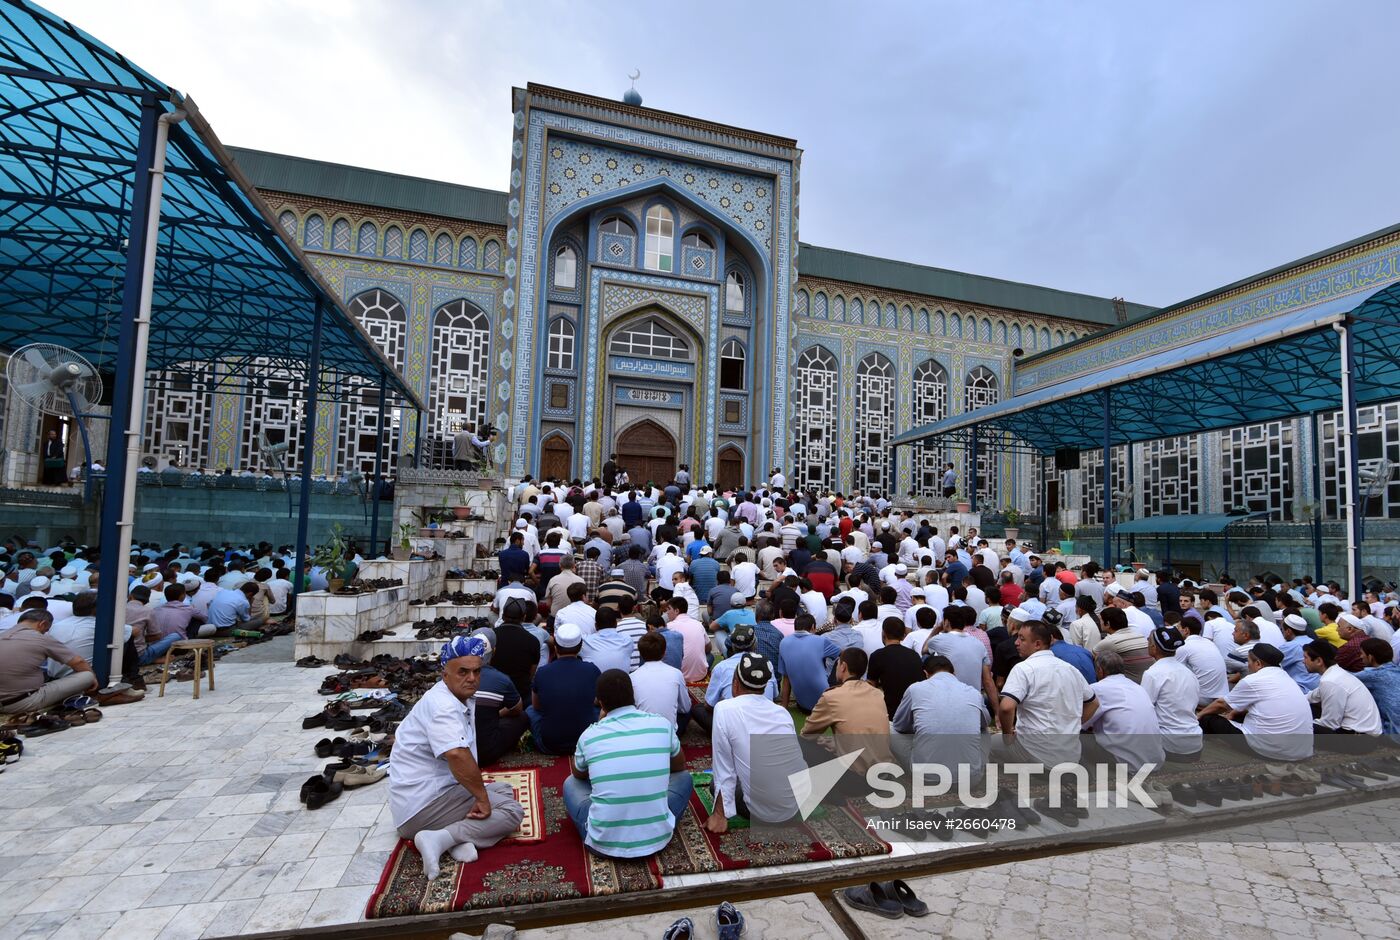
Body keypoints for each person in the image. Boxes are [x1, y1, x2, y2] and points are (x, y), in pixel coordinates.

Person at [389, 636, 525, 880]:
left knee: (503, 789)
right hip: (422, 807)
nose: (471, 678)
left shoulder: (452, 696)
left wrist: (480, 794)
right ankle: (437, 838)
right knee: (512, 811)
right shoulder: (444, 707)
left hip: (431, 796)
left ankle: (454, 836)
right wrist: (481, 798)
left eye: (476, 671)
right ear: (445, 674)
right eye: (463, 671)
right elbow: (456, 754)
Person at [566, 668, 693, 858]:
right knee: (684, 778)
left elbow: (579, 774)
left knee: (570, 783)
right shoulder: (661, 725)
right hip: (658, 839)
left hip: (603, 843)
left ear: (600, 703)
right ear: (633, 695)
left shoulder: (590, 735)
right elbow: (679, 767)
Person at [707, 652, 805, 831]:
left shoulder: (724, 709)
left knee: (716, 784)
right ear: (765, 685)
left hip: (763, 813)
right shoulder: (782, 712)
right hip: (796, 804)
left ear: (735, 682)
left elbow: (724, 768)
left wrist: (720, 814)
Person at [998, 619, 1098, 766]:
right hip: (1070, 753)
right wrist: (1072, 725)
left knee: (990, 744)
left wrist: (1007, 736)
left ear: (1037, 644)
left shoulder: (1024, 669)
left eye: (1022, 639)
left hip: (1033, 752)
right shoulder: (1070, 669)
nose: (1016, 643)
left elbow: (1006, 707)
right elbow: (1094, 703)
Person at [1197, 644, 1314, 761]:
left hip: (1272, 750)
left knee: (1208, 718)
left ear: (1258, 664)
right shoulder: (1287, 678)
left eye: (1248, 662)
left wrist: (1198, 716)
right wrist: (1235, 713)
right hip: (1303, 750)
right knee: (1238, 715)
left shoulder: (1253, 680)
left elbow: (1221, 704)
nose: (1248, 666)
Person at [800, 647, 895, 777]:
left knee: (801, 745)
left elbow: (807, 734)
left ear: (843, 666)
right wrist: (836, 743)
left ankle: (831, 795)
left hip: (858, 777)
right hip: (884, 770)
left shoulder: (832, 697)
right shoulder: (877, 694)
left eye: (837, 664)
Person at [892, 653, 989, 779]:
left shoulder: (915, 689)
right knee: (984, 731)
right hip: (970, 779)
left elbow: (899, 726)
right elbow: (985, 722)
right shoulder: (973, 693)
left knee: (888, 728)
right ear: (954, 673)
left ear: (926, 674)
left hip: (927, 778)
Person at [0, 609, 99, 714]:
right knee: (87, 676)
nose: (45, 632)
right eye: (45, 630)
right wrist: (93, 679)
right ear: (42, 624)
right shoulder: (40, 638)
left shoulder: (2, 635)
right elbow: (78, 662)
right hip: (23, 701)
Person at [1082, 649, 1166, 772]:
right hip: (1155, 760)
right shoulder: (1137, 687)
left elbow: (1082, 723)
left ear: (1100, 670)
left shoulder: (1097, 688)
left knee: (1075, 738)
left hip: (1126, 764)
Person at [526, 623, 600, 755]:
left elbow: (536, 706)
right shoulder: (592, 670)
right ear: (580, 646)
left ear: (555, 647)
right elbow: (597, 701)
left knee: (530, 710)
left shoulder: (542, 672)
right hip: (587, 741)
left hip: (549, 744)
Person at [1303, 640, 1382, 750]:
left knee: (1298, 726)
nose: (1303, 661)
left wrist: (1304, 721)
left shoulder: (1330, 681)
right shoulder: (1335, 673)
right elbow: (1311, 697)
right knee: (1307, 708)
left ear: (1319, 661)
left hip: (1360, 740)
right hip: (1363, 735)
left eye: (1305, 657)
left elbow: (1329, 724)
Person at [1140, 625, 1203, 762]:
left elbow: (1144, 710)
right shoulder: (1188, 672)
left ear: (1154, 648)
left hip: (1170, 744)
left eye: (1148, 641)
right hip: (1195, 743)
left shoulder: (1153, 673)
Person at [630, 632, 696, 731]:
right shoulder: (676, 673)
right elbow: (685, 708)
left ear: (641, 654)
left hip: (641, 733)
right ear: (664, 652)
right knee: (690, 709)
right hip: (668, 733)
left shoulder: (632, 677)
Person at [776, 612, 840, 712]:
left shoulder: (783, 642)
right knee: (841, 662)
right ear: (813, 627)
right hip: (826, 704)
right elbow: (841, 654)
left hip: (803, 705)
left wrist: (784, 706)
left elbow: (786, 678)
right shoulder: (820, 640)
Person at [866, 616, 925, 719]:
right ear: (903, 636)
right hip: (915, 710)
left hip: (892, 712)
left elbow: (871, 685)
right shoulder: (914, 655)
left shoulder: (877, 655)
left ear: (883, 633)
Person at [706, 623, 776, 705]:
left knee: (699, 709)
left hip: (733, 713)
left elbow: (709, 705)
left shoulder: (722, 667)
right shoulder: (768, 664)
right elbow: (773, 695)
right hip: (764, 713)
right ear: (755, 643)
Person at [1356, 638, 1400, 735]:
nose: (1360, 657)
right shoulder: (1396, 670)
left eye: (1362, 653)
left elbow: (1344, 680)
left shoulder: (1372, 675)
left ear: (1371, 657)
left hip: (1393, 732)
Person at [581, 606, 634, 674]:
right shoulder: (627, 640)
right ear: (616, 624)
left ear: (596, 626)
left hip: (596, 683)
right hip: (622, 683)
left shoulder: (585, 641)